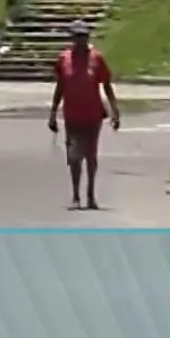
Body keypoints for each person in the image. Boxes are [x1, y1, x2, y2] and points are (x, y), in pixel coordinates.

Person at [47, 19, 119, 210]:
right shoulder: (64, 59)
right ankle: (76, 195)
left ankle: (91, 194)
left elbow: (107, 85)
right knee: (74, 157)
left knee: (91, 156)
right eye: (77, 36)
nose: (81, 40)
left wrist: (114, 111)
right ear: (72, 38)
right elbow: (60, 86)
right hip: (72, 116)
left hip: (92, 115)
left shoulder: (96, 58)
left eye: (84, 36)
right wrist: (53, 112)